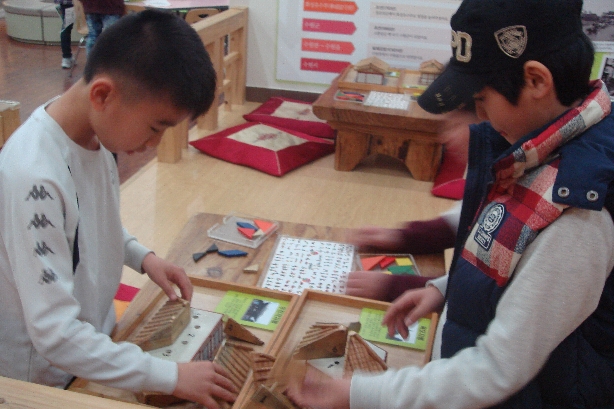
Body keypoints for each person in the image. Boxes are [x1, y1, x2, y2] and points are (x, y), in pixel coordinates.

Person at [287, 0, 614, 407]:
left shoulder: (579, 216)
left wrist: (356, 393)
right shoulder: (538, 151)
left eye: (481, 100)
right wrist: (444, 289)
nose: (477, 118)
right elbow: (502, 240)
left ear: (535, 81)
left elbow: (495, 369)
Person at [0, 10, 237, 408]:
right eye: (156, 128)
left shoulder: (94, 135)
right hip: (42, 378)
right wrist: (171, 376)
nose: (154, 145)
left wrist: (142, 258)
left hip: (94, 347)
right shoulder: (34, 177)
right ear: (103, 95)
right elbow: (54, 335)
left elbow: (91, 228)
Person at [55, 0, 75, 69]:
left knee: (66, 28)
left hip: (66, 3)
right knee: (93, 31)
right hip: (86, 4)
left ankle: (66, 57)